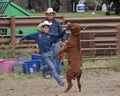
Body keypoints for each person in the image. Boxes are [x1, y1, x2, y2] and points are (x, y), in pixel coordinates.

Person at [16, 21, 66, 86]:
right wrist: (20, 40)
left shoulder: (50, 36)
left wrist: (63, 31)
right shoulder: (37, 35)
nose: (47, 29)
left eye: (47, 28)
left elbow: (58, 36)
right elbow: (27, 36)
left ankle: (43, 69)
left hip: (50, 53)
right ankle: (60, 81)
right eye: (45, 28)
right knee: (53, 67)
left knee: (52, 66)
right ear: (42, 28)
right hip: (44, 54)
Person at [42, 8, 66, 77]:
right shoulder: (43, 23)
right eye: (48, 14)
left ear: (53, 15)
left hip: (56, 42)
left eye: (51, 14)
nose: (50, 16)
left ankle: (57, 73)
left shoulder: (57, 23)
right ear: (46, 15)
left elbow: (61, 32)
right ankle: (48, 73)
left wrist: (63, 41)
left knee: (57, 57)